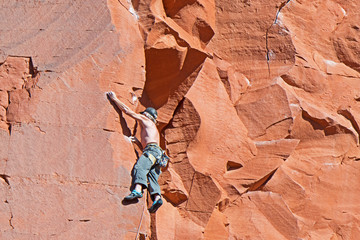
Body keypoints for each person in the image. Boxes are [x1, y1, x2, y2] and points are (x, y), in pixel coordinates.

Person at [106, 91, 166, 213]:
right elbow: (150, 143)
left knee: (140, 168)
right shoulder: (153, 129)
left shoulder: (145, 119)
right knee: (152, 176)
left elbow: (128, 111)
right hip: (158, 154)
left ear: (147, 115)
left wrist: (114, 99)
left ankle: (137, 190)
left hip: (152, 151)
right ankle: (157, 198)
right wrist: (138, 142)